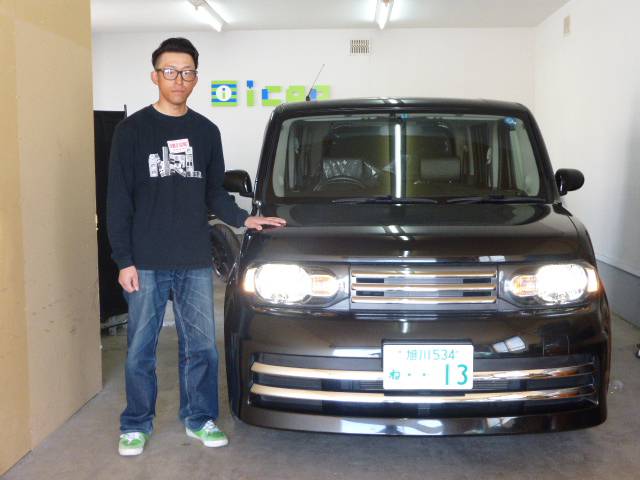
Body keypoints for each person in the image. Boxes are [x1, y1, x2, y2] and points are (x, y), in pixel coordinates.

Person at [107, 37, 286, 456]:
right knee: (140, 349)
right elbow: (118, 200)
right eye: (170, 71)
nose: (179, 79)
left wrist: (244, 218)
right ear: (155, 76)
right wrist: (123, 260)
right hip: (144, 261)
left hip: (193, 259)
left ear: (196, 78)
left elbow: (214, 194)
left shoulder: (206, 132)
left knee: (202, 346)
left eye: (187, 72)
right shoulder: (131, 131)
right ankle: (136, 423)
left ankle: (200, 417)